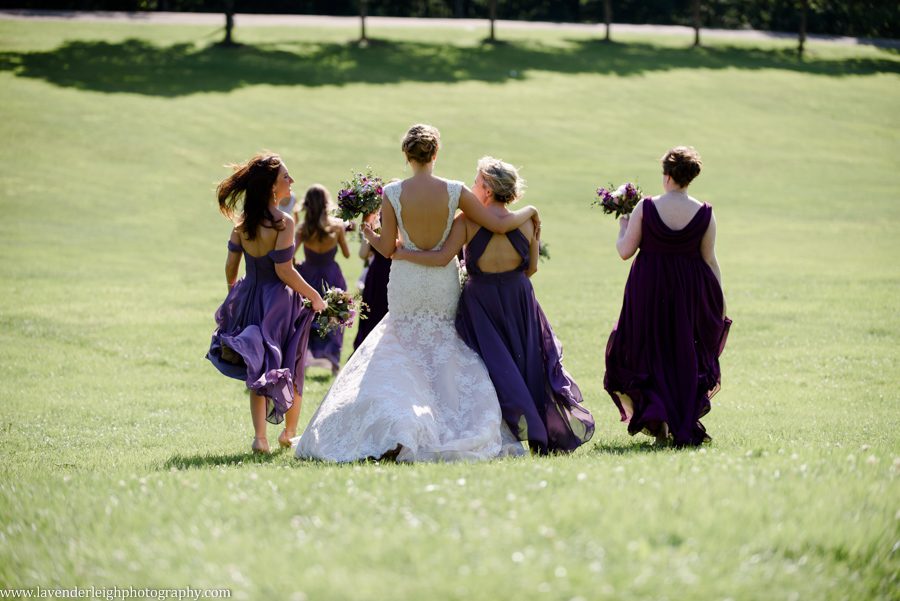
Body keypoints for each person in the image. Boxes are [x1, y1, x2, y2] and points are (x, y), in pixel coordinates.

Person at [295, 124, 540, 462]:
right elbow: (497, 224)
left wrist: (369, 228)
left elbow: (387, 247)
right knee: (444, 345)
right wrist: (530, 212)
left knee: (401, 346)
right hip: (441, 280)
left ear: (406, 156)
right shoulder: (456, 191)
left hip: (407, 281)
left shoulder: (393, 192)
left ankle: (399, 424)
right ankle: (448, 422)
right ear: (435, 154)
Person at [393, 156, 594, 454]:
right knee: (528, 363)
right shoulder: (527, 221)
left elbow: (440, 258)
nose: (472, 185)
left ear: (486, 188)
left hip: (482, 303)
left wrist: (401, 253)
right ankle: (540, 431)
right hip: (519, 298)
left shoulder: (467, 222)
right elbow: (532, 268)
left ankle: (501, 429)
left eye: (475, 181)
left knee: (490, 366)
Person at [604, 146, 731, 447]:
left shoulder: (646, 207)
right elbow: (709, 260)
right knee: (678, 354)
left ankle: (658, 423)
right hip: (686, 293)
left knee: (648, 351)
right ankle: (673, 421)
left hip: (648, 288)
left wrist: (623, 223)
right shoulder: (704, 213)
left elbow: (625, 251)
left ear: (667, 175)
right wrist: (720, 299)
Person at [207, 153, 326, 454]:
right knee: (291, 362)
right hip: (280, 304)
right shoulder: (282, 223)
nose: (291, 181)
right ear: (272, 186)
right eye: (286, 176)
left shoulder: (243, 223)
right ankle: (288, 433)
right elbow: (284, 270)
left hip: (251, 297)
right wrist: (313, 295)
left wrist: (235, 291)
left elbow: (231, 265)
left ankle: (260, 438)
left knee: (258, 366)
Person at [294, 184, 351, 375]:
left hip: (308, 276)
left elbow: (289, 255)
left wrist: (300, 262)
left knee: (307, 317)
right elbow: (346, 254)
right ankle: (333, 361)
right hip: (331, 275)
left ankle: (303, 359)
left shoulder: (303, 230)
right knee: (335, 314)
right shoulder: (336, 227)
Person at [352, 211, 391, 351]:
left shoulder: (375, 225)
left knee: (372, 316)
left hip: (377, 275)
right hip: (394, 273)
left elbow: (363, 254)